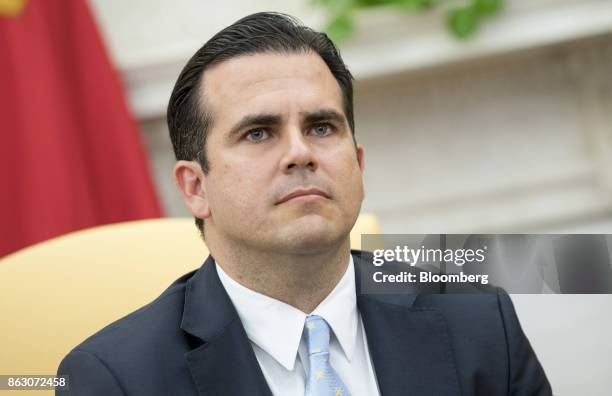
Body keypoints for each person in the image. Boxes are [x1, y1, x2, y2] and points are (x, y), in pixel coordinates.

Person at [56, 12, 552, 396]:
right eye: (258, 133)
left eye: (321, 127)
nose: (299, 153)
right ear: (195, 187)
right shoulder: (115, 379)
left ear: (357, 163)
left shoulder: (478, 317)